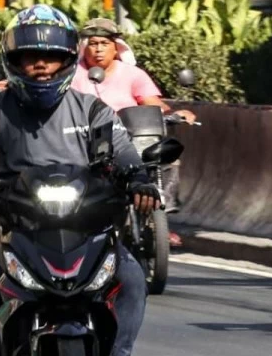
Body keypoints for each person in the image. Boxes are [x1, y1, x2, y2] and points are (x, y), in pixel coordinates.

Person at [0, 5, 160, 356]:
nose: (41, 65)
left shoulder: (93, 110)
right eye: (30, 56)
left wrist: (138, 179)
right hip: (14, 223)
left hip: (85, 223)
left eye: (50, 56)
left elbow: (122, 151)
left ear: (69, 60)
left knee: (132, 278)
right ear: (13, 62)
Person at [71, 16, 194, 241]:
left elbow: (152, 103)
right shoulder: (71, 75)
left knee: (167, 156)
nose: (98, 49)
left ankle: (161, 216)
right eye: (93, 43)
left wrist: (175, 114)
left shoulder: (132, 74)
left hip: (131, 139)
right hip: (88, 145)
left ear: (116, 47)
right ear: (83, 47)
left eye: (105, 44)